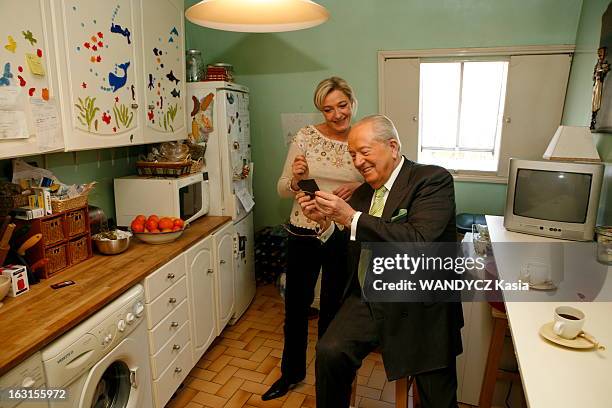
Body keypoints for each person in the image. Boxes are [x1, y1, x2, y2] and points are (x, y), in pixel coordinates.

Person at [298, 114, 464, 408]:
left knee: (436, 395)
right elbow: (350, 250)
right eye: (352, 155)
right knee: (329, 351)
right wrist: (324, 224)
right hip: (369, 298)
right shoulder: (362, 195)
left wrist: (350, 217)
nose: (358, 161)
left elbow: (419, 241)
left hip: (421, 304)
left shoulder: (432, 180)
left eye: (364, 151)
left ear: (393, 147)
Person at [262, 77, 363, 401]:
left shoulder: (362, 139)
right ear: (320, 109)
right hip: (303, 231)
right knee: (295, 308)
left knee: (333, 310)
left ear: (352, 102)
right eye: (328, 109)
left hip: (341, 234)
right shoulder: (305, 136)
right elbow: (281, 187)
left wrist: (359, 189)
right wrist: (295, 177)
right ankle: (291, 374)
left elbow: (379, 185)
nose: (336, 115)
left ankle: (327, 382)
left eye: (342, 106)